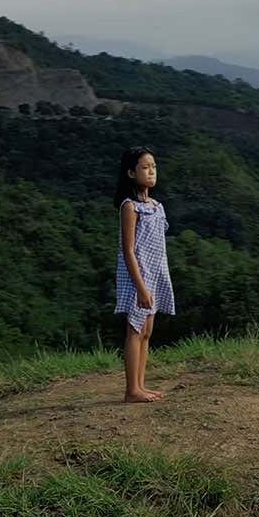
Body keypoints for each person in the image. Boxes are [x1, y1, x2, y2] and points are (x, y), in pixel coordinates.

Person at [113, 146, 175, 402]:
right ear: (130, 173)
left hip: (156, 273)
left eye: (153, 167)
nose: (151, 172)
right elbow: (128, 250)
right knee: (135, 330)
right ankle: (131, 390)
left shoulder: (157, 206)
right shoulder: (130, 207)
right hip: (137, 275)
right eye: (145, 167)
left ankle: (140, 384)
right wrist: (140, 287)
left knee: (147, 331)